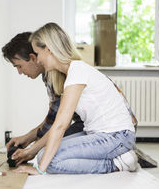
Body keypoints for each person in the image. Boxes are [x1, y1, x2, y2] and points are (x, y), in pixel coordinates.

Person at [14, 22, 138, 175]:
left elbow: (61, 125)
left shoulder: (77, 71)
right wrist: (35, 152)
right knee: (44, 155)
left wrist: (40, 170)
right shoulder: (68, 74)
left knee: (50, 162)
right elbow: (56, 126)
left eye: (38, 54)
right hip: (99, 134)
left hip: (117, 136)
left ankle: (117, 164)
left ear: (48, 49)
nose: (37, 60)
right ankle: (119, 158)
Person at [1, 32, 84, 166]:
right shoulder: (48, 75)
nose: (19, 72)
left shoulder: (56, 74)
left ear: (33, 58)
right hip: (82, 124)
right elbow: (53, 118)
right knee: (45, 150)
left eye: (19, 66)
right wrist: (28, 138)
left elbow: (61, 123)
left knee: (46, 154)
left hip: (93, 127)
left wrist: (32, 149)